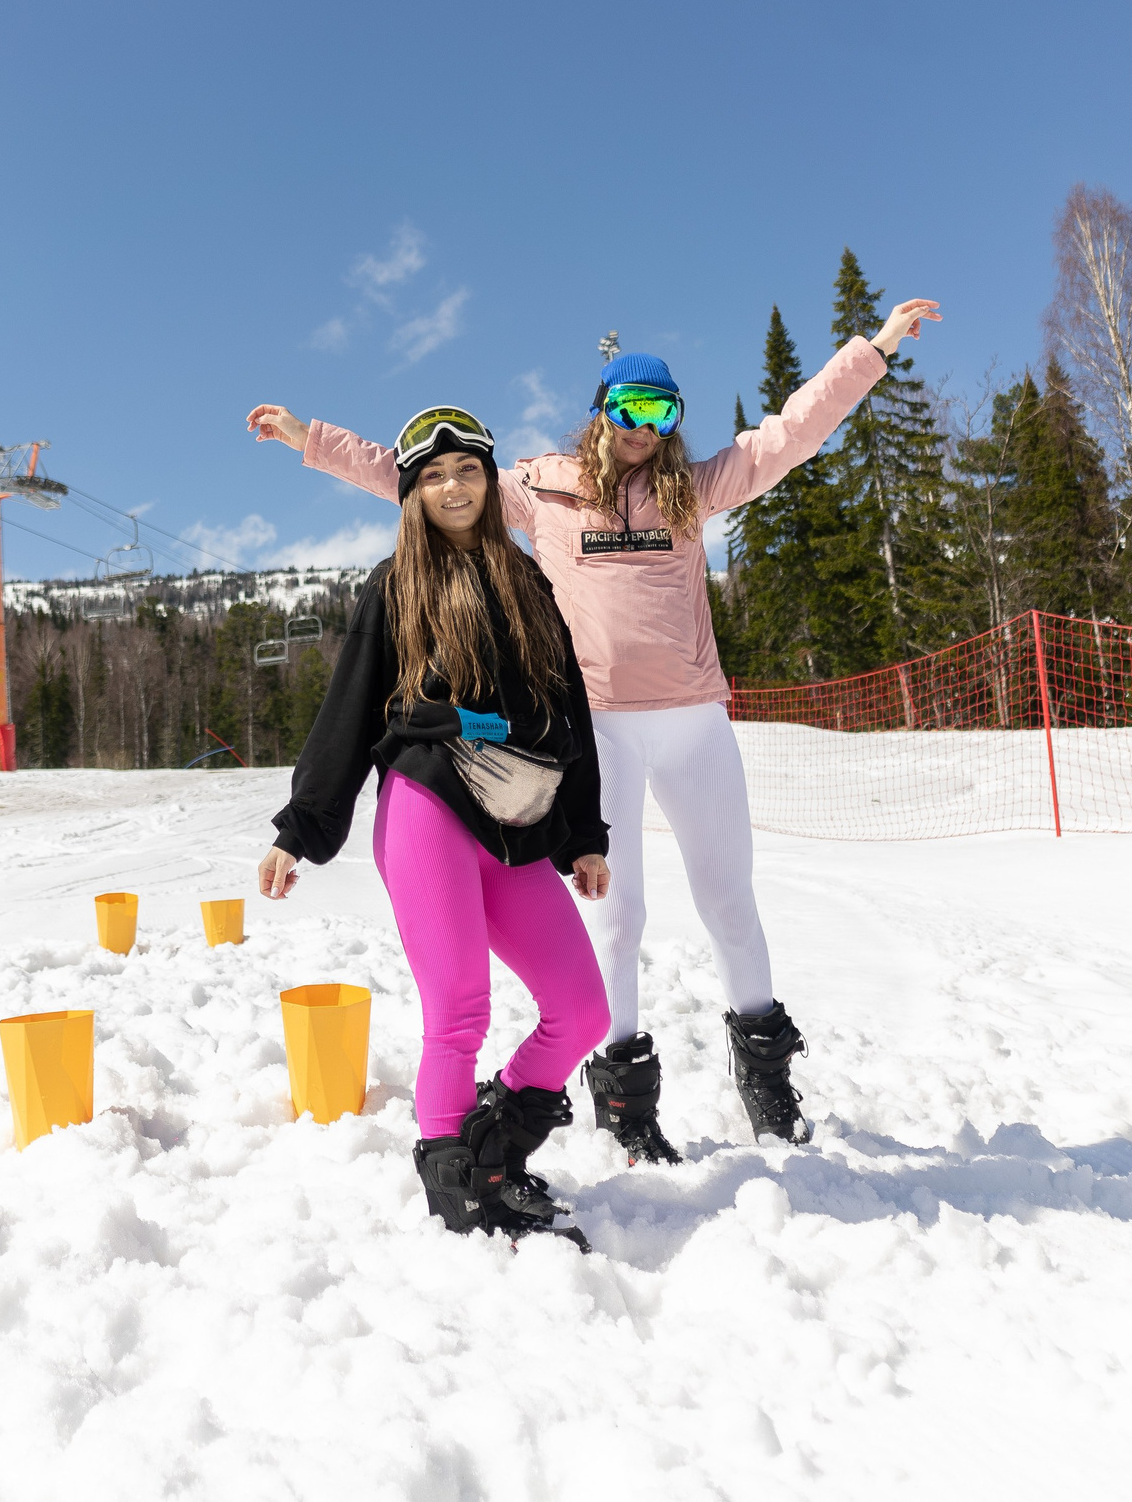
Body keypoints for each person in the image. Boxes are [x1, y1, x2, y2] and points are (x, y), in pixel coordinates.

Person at [248, 298, 937, 1162]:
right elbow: (424, 470)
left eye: (661, 411)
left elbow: (791, 434)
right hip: (600, 726)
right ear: (601, 410)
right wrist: (313, 438)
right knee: (617, 914)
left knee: (730, 898)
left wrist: (870, 351)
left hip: (693, 719)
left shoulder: (693, 492)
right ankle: (623, 1095)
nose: (642, 427)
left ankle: (764, 1067)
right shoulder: (540, 488)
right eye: (628, 408)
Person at [258, 405, 612, 1244]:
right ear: (412, 493)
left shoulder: (529, 583)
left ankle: (498, 1141)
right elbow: (345, 712)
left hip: (517, 822)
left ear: (491, 482)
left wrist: (584, 833)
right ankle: (459, 1181)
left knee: (582, 1008)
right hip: (427, 808)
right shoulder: (394, 583)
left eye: (468, 470)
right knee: (459, 1008)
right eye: (432, 475)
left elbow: (571, 714)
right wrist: (300, 827)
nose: (453, 486)